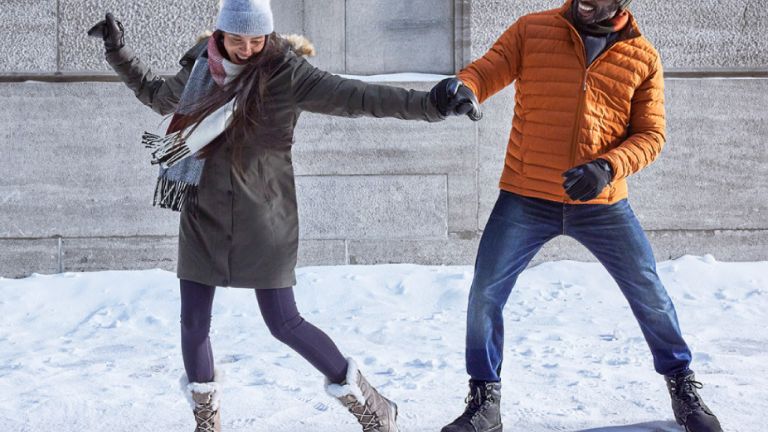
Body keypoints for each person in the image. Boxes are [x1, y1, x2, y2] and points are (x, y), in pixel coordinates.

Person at [87, 0, 479, 431]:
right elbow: (158, 96)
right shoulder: (201, 66)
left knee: (284, 323)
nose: (248, 49)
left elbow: (359, 96)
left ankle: (371, 405)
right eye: (238, 39)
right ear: (220, 34)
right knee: (194, 323)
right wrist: (117, 52)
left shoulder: (286, 73)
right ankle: (206, 419)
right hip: (204, 216)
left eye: (257, 40)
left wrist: (433, 103)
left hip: (265, 217)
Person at [429, 1, 723, 431]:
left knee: (649, 291)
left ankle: (682, 386)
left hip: (601, 203)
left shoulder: (641, 56)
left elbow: (651, 135)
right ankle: (484, 402)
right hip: (526, 195)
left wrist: (608, 166)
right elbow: (487, 70)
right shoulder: (533, 30)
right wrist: (463, 87)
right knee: (486, 292)